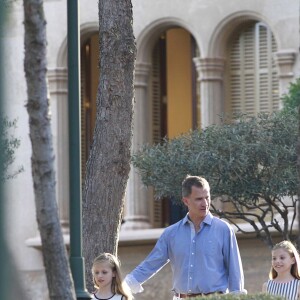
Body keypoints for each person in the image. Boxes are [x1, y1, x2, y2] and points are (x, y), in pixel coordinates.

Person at [125, 175, 247, 299]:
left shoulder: (223, 229)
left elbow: (235, 271)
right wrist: (123, 286)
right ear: (186, 201)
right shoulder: (171, 233)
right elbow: (150, 264)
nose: (205, 203)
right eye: (199, 199)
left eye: (207, 198)